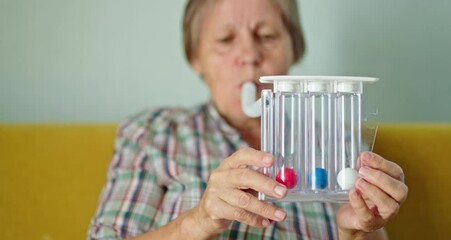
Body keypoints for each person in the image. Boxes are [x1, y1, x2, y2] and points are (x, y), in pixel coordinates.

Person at [88, 0, 408, 239]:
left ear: (292, 49)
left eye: (266, 35)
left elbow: (360, 227)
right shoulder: (152, 134)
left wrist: (353, 234)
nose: (249, 54)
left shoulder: (342, 144)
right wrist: (199, 219)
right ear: (195, 57)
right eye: (226, 40)